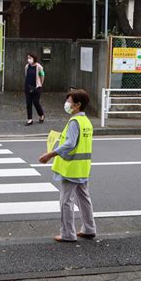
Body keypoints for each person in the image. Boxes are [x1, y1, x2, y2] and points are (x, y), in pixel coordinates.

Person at [39, 89, 97, 242]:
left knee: (66, 201)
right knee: (84, 198)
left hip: (71, 168)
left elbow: (70, 143)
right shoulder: (86, 122)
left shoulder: (74, 122)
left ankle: (67, 234)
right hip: (83, 167)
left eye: (69, 101)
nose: (67, 104)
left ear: (77, 105)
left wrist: (50, 154)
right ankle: (89, 228)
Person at [24, 53, 45, 126]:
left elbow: (42, 75)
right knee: (28, 103)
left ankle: (41, 115)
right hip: (28, 87)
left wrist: (40, 84)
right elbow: (26, 75)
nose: (28, 59)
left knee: (36, 102)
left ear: (34, 58)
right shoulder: (27, 66)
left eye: (30, 58)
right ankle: (30, 119)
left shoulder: (39, 66)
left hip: (36, 87)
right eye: (28, 58)